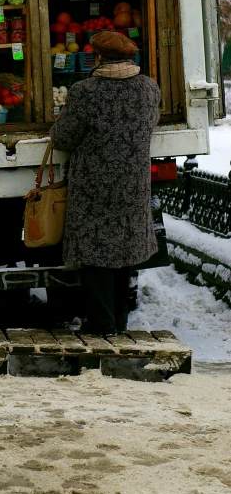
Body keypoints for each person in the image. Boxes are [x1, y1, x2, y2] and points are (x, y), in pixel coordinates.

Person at [50, 31, 161, 335]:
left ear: (98, 57)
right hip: (132, 182)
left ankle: (100, 324)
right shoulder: (149, 89)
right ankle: (118, 320)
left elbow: (64, 138)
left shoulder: (85, 91)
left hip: (93, 185)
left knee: (95, 251)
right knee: (124, 250)